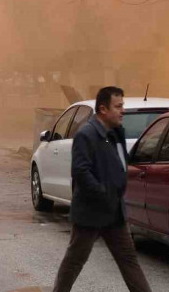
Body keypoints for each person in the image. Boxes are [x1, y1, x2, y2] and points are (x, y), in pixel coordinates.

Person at [51, 86, 152, 292]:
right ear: (103, 109)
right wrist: (102, 192)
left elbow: (119, 164)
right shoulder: (86, 135)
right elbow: (80, 171)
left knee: (128, 260)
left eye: (123, 105)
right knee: (75, 261)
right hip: (91, 213)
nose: (123, 110)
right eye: (118, 106)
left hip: (114, 211)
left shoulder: (115, 133)